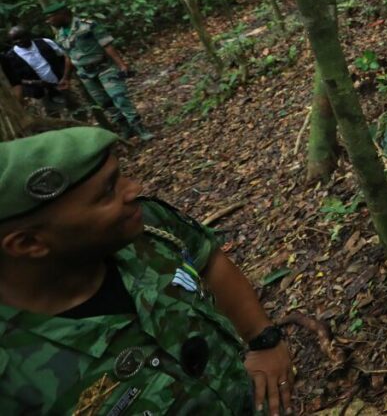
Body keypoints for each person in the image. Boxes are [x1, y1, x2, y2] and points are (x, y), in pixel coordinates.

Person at [0, 127, 295, 414]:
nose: (134, 189)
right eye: (107, 192)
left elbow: (208, 260)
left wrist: (263, 340)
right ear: (28, 243)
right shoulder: (11, 377)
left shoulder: (145, 226)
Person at [44, 2, 154, 141]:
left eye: (50, 17)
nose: (48, 21)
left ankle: (140, 128)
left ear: (61, 14)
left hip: (104, 68)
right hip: (85, 74)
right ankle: (125, 128)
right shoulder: (59, 35)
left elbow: (106, 45)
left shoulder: (88, 25)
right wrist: (66, 77)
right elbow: (68, 56)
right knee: (105, 103)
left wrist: (121, 64)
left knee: (119, 97)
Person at [2, 25, 73, 116]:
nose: (19, 41)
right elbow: (15, 80)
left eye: (21, 37)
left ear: (29, 35)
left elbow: (65, 57)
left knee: (74, 109)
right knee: (51, 118)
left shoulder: (45, 42)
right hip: (39, 94)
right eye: (15, 40)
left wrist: (66, 77)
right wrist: (33, 82)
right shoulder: (10, 57)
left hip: (61, 84)